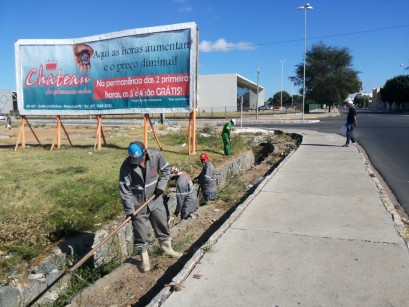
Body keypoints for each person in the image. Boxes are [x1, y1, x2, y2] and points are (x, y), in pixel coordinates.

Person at [119, 141, 182, 273]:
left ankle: (167, 248)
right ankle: (144, 261)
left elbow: (166, 170)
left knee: (161, 223)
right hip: (138, 203)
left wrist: (161, 187)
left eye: (139, 158)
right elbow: (125, 190)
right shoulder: (126, 166)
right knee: (140, 231)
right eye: (134, 159)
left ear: (145, 152)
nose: (136, 161)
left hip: (156, 198)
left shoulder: (156, 156)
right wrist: (130, 210)